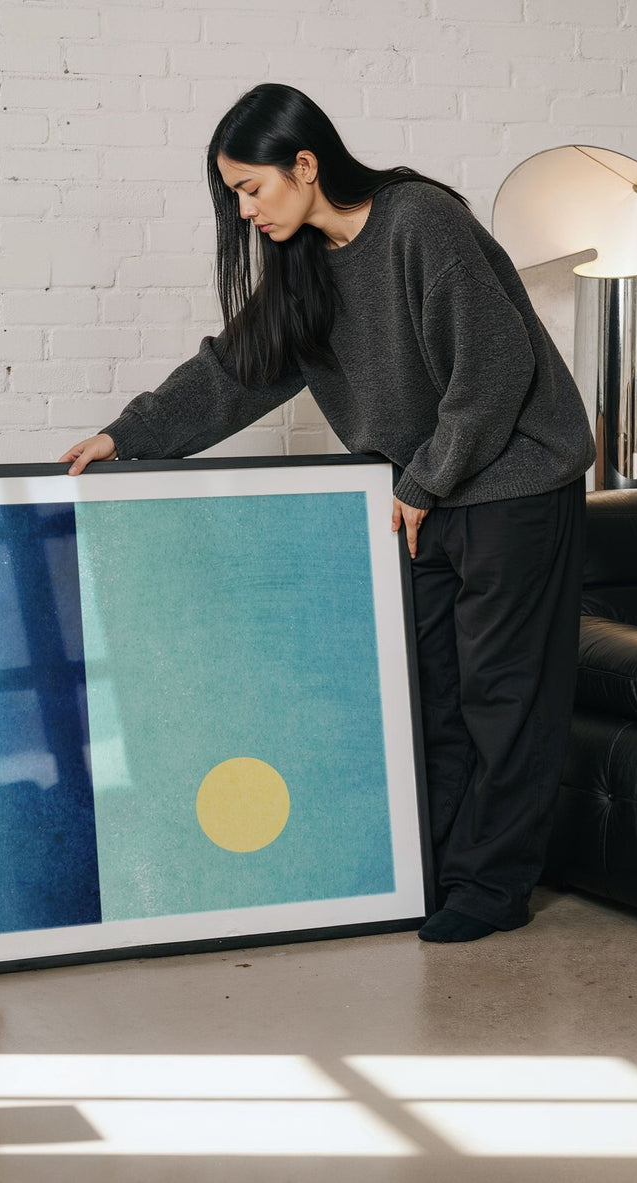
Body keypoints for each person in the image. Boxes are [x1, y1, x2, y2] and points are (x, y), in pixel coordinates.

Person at [60, 83, 596, 943]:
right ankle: (439, 872)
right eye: (233, 195)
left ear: (305, 165)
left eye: (252, 189)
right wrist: (130, 435)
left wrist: (424, 481)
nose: (244, 213)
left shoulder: (420, 222)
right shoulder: (305, 263)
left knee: (505, 694)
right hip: (425, 492)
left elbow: (493, 371)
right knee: (431, 694)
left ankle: (491, 888)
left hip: (513, 479)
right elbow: (237, 369)